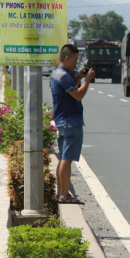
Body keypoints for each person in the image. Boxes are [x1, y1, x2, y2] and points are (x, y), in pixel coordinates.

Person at [50, 44, 95, 204]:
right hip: (70, 122)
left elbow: (69, 89)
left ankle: (60, 193)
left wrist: (78, 78)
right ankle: (64, 195)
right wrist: (87, 81)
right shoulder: (64, 76)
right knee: (67, 159)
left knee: (63, 158)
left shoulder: (58, 73)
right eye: (75, 60)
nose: (76, 63)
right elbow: (78, 95)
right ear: (67, 58)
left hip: (63, 121)